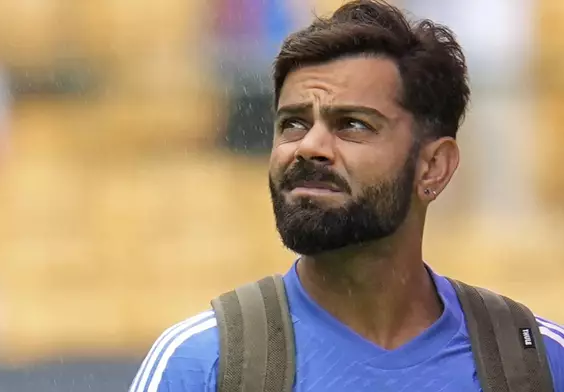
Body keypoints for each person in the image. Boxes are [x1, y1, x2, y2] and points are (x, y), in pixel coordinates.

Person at [129, 1, 564, 391]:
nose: (309, 146)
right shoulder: (203, 365)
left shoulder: (537, 365)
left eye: (353, 124)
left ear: (433, 167)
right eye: (293, 123)